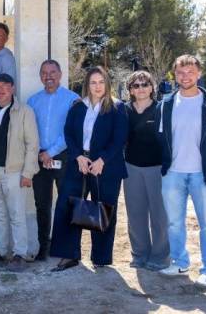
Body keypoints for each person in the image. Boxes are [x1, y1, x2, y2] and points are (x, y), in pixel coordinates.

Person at [157, 55, 206, 288]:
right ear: (174, 75)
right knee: (174, 223)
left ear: (199, 74)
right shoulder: (166, 104)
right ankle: (179, 262)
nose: (185, 76)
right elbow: (160, 137)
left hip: (202, 175)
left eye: (190, 72)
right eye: (180, 72)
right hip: (173, 174)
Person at [50, 66, 128, 271]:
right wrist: (77, 156)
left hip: (106, 166)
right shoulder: (78, 106)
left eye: (101, 82)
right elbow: (68, 133)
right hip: (79, 163)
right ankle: (69, 255)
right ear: (87, 85)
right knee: (68, 205)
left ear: (107, 84)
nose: (97, 86)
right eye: (93, 82)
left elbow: (119, 138)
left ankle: (100, 257)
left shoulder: (117, 107)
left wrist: (102, 160)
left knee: (104, 208)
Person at [0, 73, 39, 270]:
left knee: (17, 214)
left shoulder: (25, 111)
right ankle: (0, 250)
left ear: (12, 88)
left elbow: (32, 144)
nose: (0, 89)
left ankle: (20, 253)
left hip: (14, 171)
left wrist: (27, 173)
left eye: (5, 86)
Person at [26, 59, 79, 261]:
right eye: (44, 73)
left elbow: (71, 131)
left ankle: (65, 248)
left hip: (64, 156)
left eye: (52, 72)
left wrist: (52, 152)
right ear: (40, 76)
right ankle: (44, 247)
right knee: (42, 205)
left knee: (66, 202)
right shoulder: (32, 101)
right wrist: (41, 154)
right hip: (40, 158)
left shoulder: (72, 99)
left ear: (60, 74)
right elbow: (30, 131)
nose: (48, 76)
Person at [123, 70, 169, 271]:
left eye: (145, 84)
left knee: (159, 215)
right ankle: (139, 254)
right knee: (135, 214)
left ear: (152, 87)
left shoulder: (161, 109)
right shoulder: (124, 110)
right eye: (136, 85)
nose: (141, 88)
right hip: (131, 168)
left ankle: (160, 256)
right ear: (130, 90)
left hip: (157, 168)